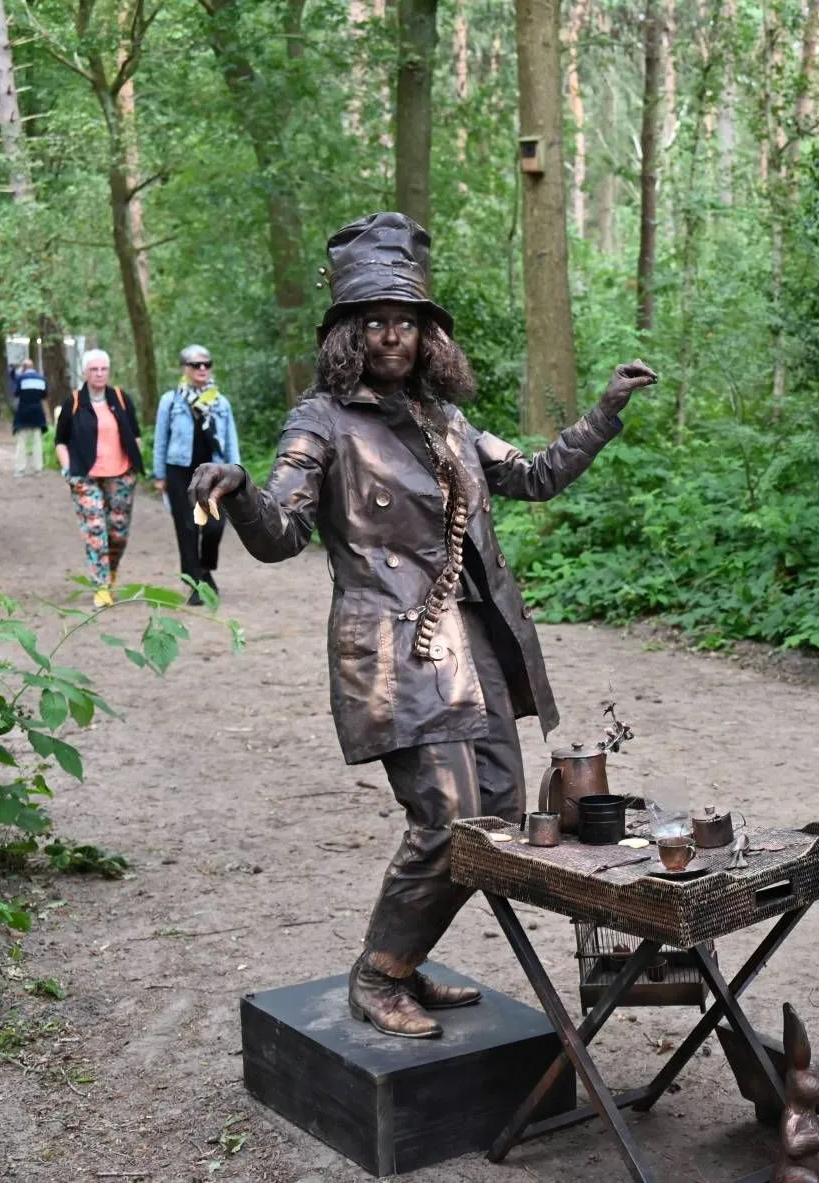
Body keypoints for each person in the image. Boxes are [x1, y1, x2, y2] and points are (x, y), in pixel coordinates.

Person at [188, 212, 658, 1039]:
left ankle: (401, 960)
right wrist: (241, 493)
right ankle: (379, 974)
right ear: (347, 333)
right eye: (373, 321)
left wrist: (605, 410)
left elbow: (535, 475)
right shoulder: (321, 421)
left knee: (496, 823)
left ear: (426, 333)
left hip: (474, 648)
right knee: (447, 820)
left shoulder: (448, 422)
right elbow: (284, 531)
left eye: (404, 320)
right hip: (394, 655)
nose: (391, 335)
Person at [54, 350, 143, 607]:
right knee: (95, 530)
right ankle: (101, 585)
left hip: (121, 475)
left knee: (118, 533)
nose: (99, 374)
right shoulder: (73, 402)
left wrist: (134, 463)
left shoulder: (120, 398)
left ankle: (111, 572)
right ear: (85, 372)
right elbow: (60, 442)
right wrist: (68, 470)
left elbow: (135, 435)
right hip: (85, 477)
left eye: (104, 369)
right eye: (94, 369)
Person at [153, 345, 240, 604]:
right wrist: (159, 475)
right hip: (179, 471)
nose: (202, 368)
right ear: (185, 368)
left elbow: (231, 440)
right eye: (195, 364)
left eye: (206, 364)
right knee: (187, 528)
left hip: (214, 472)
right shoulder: (171, 401)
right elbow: (161, 439)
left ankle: (205, 568)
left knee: (215, 525)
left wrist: (236, 473)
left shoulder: (220, 402)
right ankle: (194, 582)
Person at [11, 359, 50, 477]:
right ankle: (38, 469)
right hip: (37, 411)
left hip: (23, 411)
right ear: (33, 366)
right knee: (37, 440)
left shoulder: (21, 378)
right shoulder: (42, 379)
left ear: (24, 368)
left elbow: (16, 393)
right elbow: (44, 395)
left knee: (21, 441)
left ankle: (20, 469)